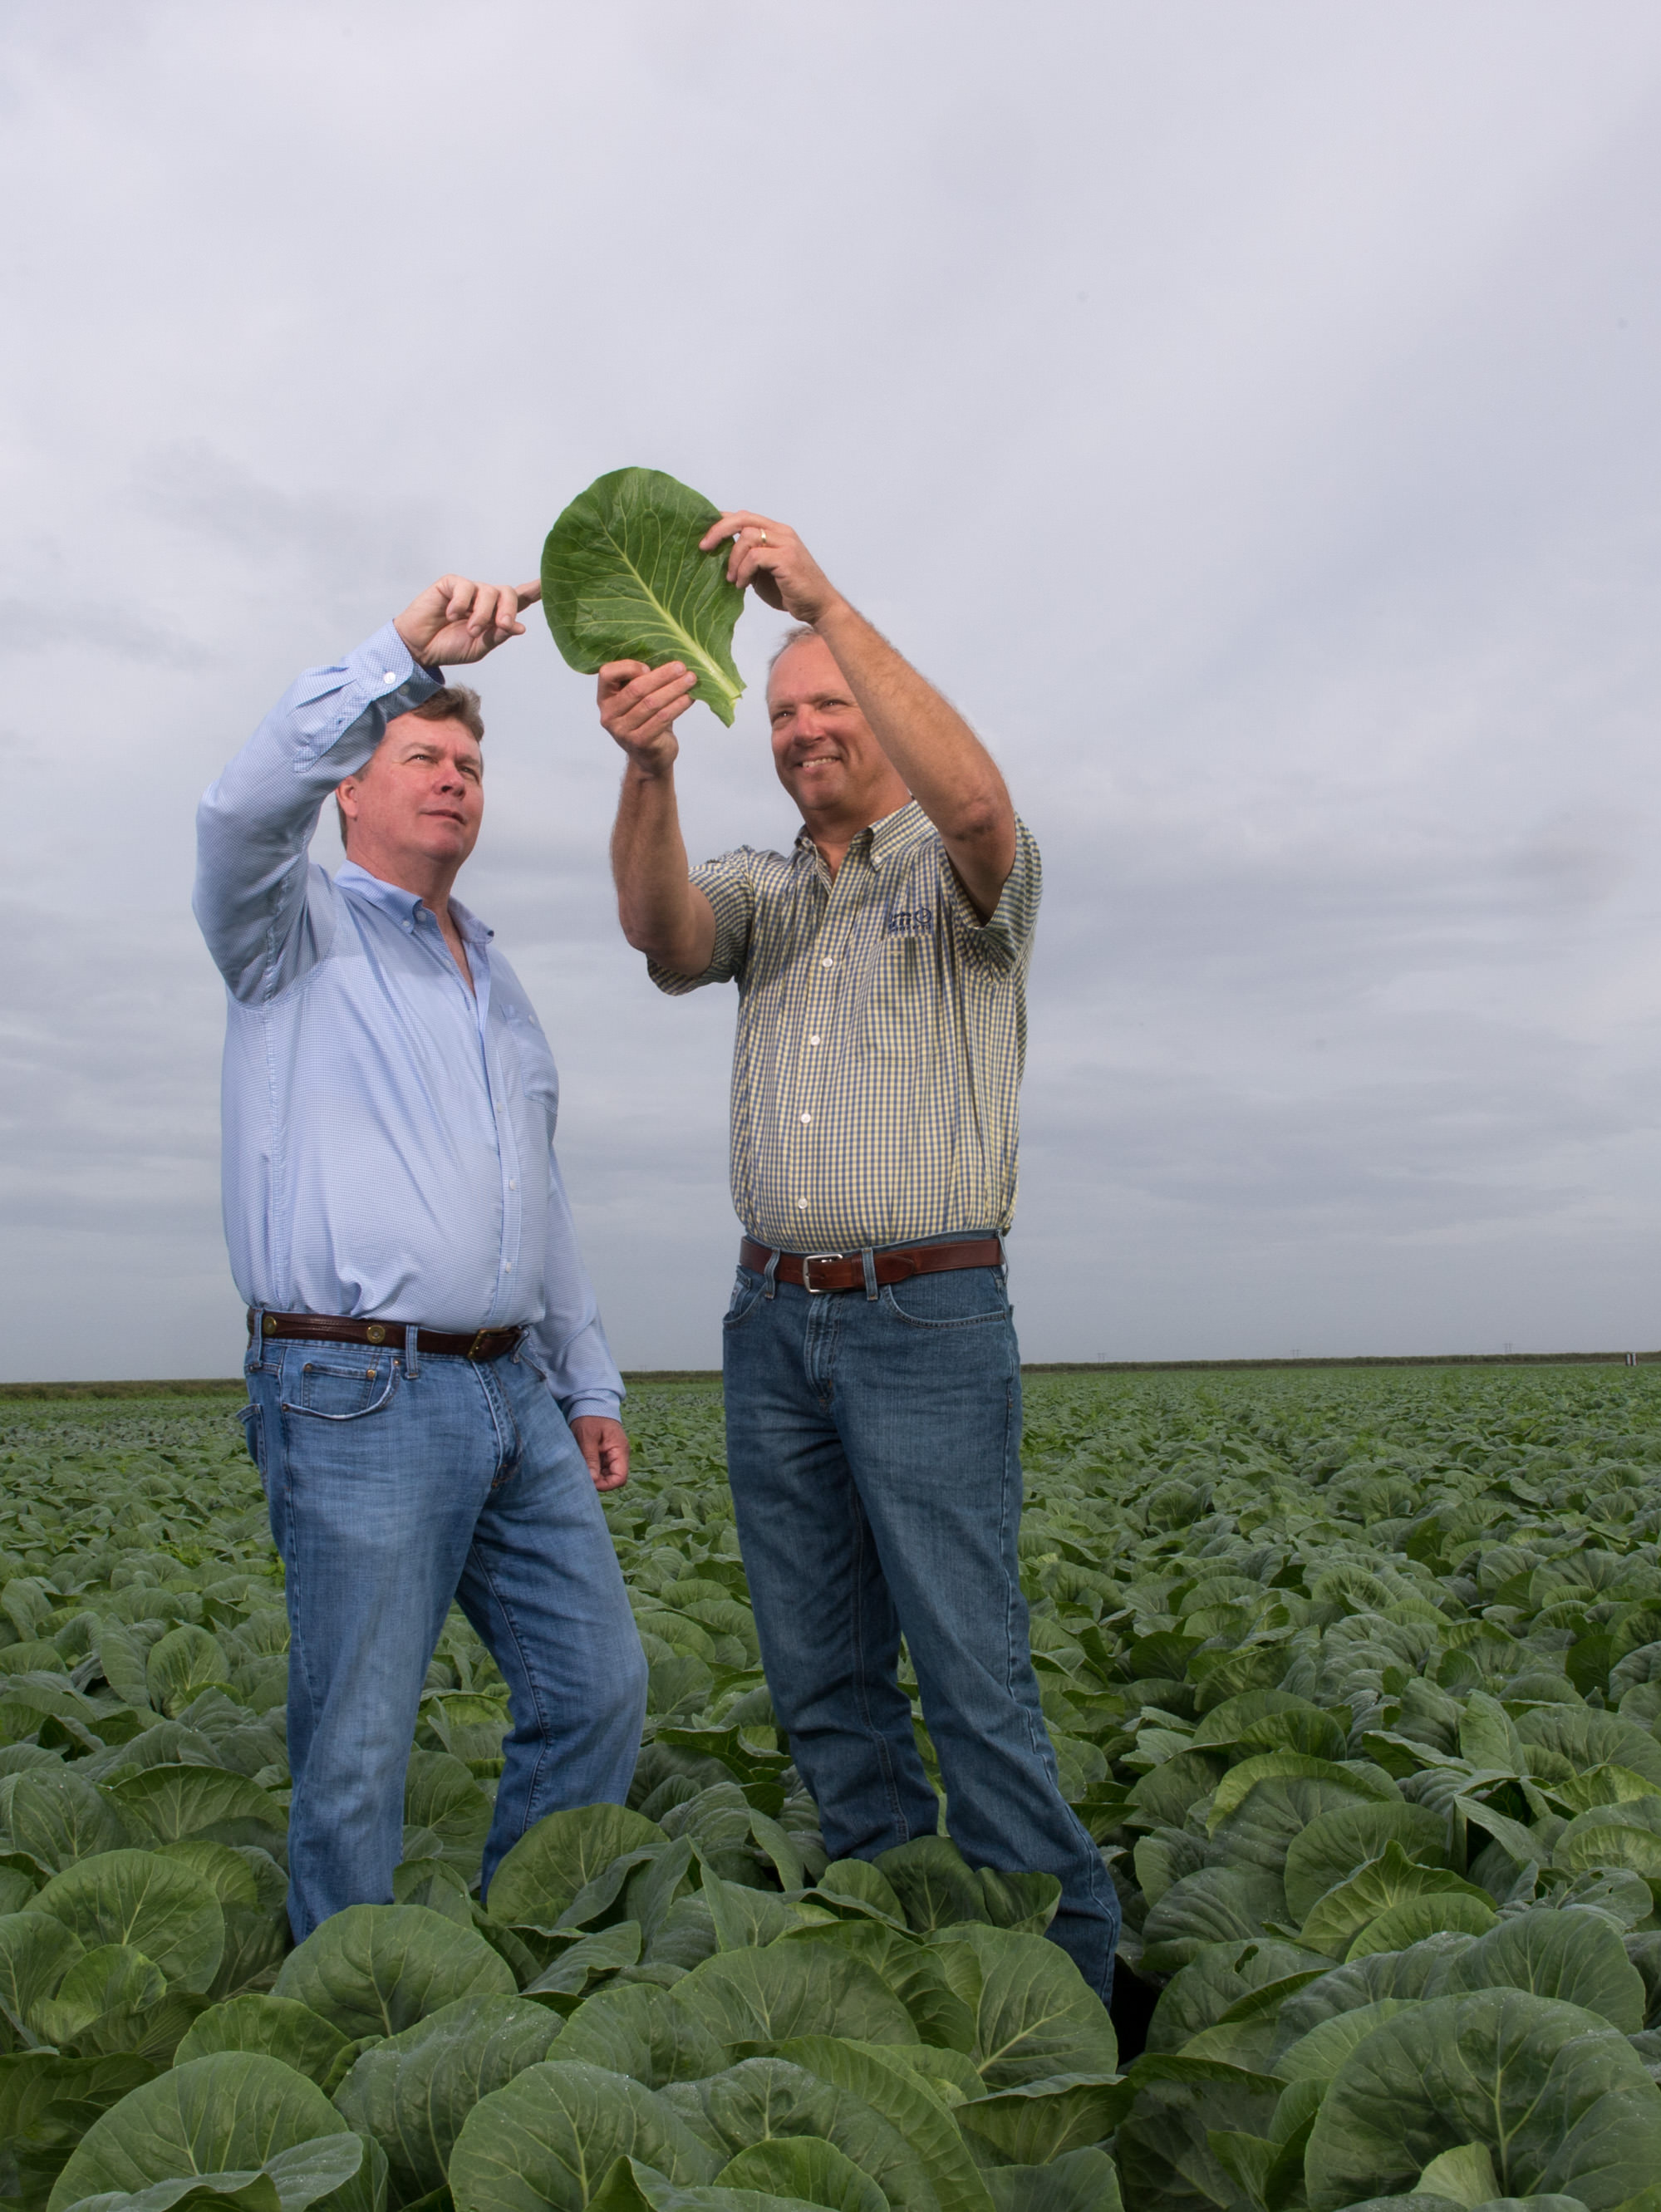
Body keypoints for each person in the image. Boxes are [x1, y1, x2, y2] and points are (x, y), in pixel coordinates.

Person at [597, 511, 1117, 1992]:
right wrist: (649, 766)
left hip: (926, 1319)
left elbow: (979, 805)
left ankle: (1067, 1982)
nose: (807, 730)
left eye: (830, 703)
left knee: (971, 1669)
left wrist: (822, 600)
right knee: (823, 1677)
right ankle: (896, 1943)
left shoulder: (962, 881)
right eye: (783, 714)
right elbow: (661, 932)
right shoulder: (771, 890)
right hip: (774, 1324)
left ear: (878, 709)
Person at [196, 573, 647, 1939]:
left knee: (598, 1685)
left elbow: (537, 1197)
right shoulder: (291, 933)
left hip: (512, 1393)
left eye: (467, 762)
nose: (452, 780)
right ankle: (351, 2006)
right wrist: (396, 658)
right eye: (419, 756)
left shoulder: (493, 974)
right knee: (357, 1747)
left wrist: (590, 1379)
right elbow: (235, 812)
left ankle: (518, 1956)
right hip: (359, 1390)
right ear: (351, 784)